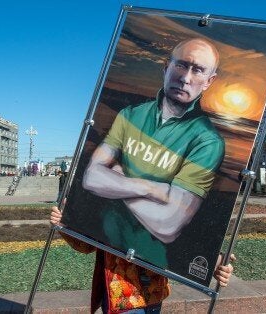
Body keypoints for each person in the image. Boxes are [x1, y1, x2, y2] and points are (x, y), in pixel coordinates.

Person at [81, 38, 225, 268]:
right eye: (181, 65)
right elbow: (91, 178)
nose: (186, 78)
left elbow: (168, 225)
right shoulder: (130, 115)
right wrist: (150, 188)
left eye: (197, 70)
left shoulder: (207, 141)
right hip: (108, 257)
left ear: (209, 81)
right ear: (166, 67)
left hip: (150, 270)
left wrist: (118, 181)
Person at [51, 206, 234, 313]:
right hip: (122, 298)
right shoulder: (109, 203)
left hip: (153, 295)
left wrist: (215, 263)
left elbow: (182, 240)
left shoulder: (167, 196)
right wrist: (63, 225)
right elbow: (86, 244)